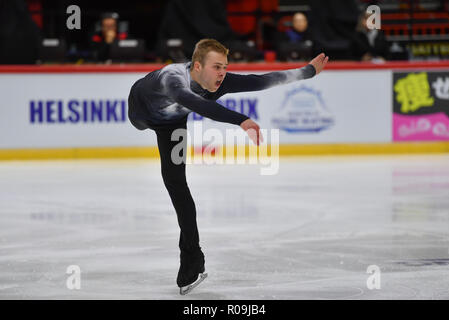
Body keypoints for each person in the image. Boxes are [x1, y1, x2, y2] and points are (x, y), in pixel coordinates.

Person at [127, 39, 328, 294]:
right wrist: (241, 120)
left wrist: (307, 72)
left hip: (171, 124)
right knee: (161, 129)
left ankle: (191, 261)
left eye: (225, 66)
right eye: (216, 66)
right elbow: (200, 105)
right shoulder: (172, 79)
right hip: (140, 111)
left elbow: (261, 80)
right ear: (197, 66)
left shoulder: (218, 81)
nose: (222, 72)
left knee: (177, 184)